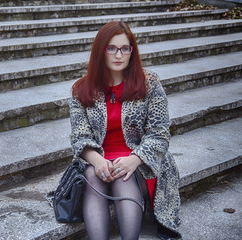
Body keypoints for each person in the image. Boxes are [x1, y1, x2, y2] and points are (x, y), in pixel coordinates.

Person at [69, 21, 181, 240]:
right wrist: (98, 160)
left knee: (123, 175)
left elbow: (159, 134)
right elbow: (79, 137)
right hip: (99, 159)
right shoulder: (82, 89)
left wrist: (134, 159)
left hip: (141, 162)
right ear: (100, 51)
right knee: (93, 174)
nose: (118, 55)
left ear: (132, 51)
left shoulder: (150, 84)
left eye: (125, 48)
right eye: (111, 48)